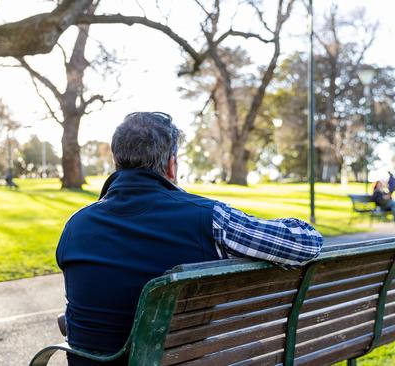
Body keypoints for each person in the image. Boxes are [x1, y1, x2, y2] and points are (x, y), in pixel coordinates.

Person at [56, 112, 324, 365]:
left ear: (117, 162)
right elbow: (305, 244)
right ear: (172, 165)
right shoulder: (208, 219)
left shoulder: (76, 225)